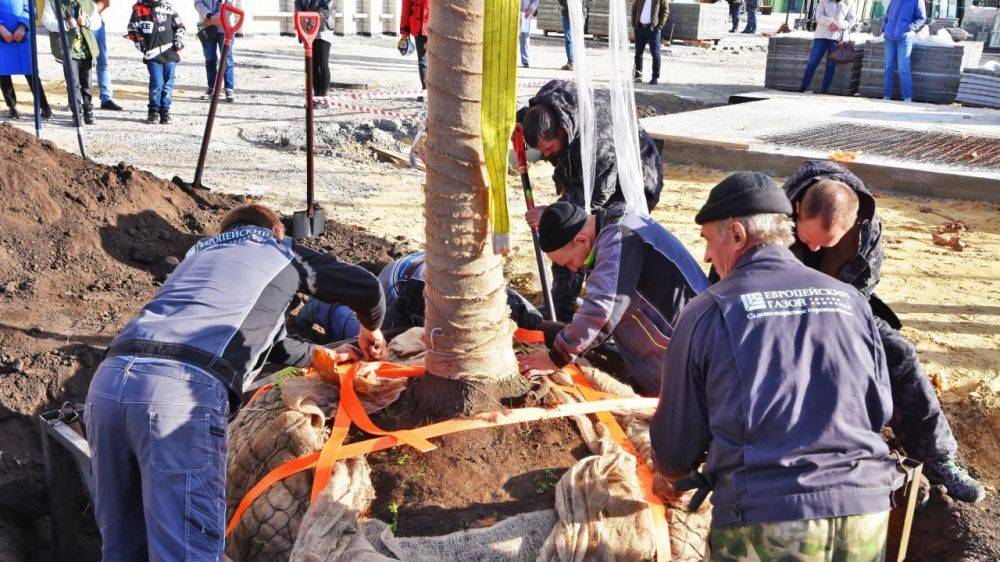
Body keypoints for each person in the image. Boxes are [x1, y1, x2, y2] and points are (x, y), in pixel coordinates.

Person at [85, 204, 387, 560]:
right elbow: (367, 288)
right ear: (276, 229)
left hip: (108, 383)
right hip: (179, 393)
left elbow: (273, 342)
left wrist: (321, 356)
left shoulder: (199, 256)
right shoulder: (279, 250)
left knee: (122, 546)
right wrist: (371, 329)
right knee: (185, 550)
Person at [651, 171, 900, 558]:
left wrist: (674, 473)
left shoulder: (708, 311)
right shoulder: (851, 301)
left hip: (769, 518)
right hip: (865, 511)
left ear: (736, 235)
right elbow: (878, 407)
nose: (705, 256)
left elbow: (674, 447)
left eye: (707, 240)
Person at [783, 159, 985, 503]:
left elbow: (857, 295)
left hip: (838, 308)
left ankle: (938, 459)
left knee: (897, 354)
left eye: (825, 244)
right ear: (797, 210)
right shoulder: (769, 214)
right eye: (809, 241)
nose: (814, 250)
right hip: (774, 314)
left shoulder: (867, 233)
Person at [517, 201, 708, 395]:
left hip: (691, 354)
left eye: (568, 262)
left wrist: (555, 358)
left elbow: (602, 310)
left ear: (581, 240)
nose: (573, 269)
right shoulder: (615, 220)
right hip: (682, 342)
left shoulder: (618, 238)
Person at [521, 79, 664, 322]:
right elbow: (530, 115)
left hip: (631, 181)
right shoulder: (551, 101)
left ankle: (593, 310)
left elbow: (592, 203)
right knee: (565, 232)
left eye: (549, 148)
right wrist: (519, 124)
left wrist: (550, 213)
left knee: (580, 241)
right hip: (586, 169)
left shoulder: (599, 146)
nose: (546, 155)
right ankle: (561, 305)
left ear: (563, 131)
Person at [298, 251, 544, 341]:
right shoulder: (454, 311)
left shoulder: (512, 304)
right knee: (379, 348)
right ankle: (325, 307)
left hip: (429, 270)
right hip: (399, 284)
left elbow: (541, 325)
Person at [128, 0, 184, 124]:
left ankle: (165, 112)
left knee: (168, 84)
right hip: (152, 55)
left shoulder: (168, 7)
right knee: (157, 83)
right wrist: (141, 45)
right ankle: (153, 111)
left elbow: (180, 26)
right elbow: (132, 30)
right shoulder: (139, 8)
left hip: (170, 53)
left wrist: (178, 41)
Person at [43, 0, 99, 124]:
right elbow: (47, 21)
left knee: (87, 82)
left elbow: (97, 21)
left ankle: (88, 111)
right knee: (73, 82)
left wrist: (87, 22)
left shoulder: (88, 2)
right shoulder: (52, 2)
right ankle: (77, 113)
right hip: (68, 50)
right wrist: (65, 25)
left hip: (86, 49)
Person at [0, 0, 53, 120]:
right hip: (1, 38)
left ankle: (44, 106)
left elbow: (29, 8)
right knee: (3, 73)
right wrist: (2, 29)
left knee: (31, 71)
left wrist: (22, 26)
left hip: (23, 36)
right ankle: (12, 107)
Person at [798, 0, 854, 94]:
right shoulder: (824, 1)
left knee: (830, 65)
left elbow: (851, 21)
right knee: (813, 62)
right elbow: (818, 16)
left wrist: (839, 25)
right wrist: (830, 23)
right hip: (821, 36)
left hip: (837, 38)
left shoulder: (849, 3)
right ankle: (803, 86)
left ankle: (824, 90)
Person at [881, 0, 925, 102]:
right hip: (889, 37)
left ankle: (907, 97)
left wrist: (909, 28)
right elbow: (887, 15)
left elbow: (921, 18)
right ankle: (887, 96)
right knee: (888, 67)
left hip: (904, 38)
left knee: (903, 68)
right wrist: (885, 27)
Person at [195, 0, 236, 102]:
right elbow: (198, 3)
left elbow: (229, 6)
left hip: (224, 28)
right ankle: (211, 88)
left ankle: (229, 89)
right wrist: (209, 16)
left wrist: (216, 18)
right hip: (207, 27)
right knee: (210, 59)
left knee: (227, 59)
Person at [295, 0, 333, 108]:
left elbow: (326, 7)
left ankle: (323, 99)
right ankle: (316, 98)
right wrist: (300, 23)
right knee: (313, 65)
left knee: (321, 62)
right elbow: (298, 5)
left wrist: (312, 20)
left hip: (322, 27)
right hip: (307, 28)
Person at [93, 0, 122, 111]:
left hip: (94, 24)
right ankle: (75, 99)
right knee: (76, 63)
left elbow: (105, 2)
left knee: (102, 62)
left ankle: (106, 98)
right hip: (75, 24)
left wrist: (88, 15)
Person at [631, 0, 669, 85]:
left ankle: (655, 77)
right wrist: (634, 24)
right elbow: (634, 9)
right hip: (640, 28)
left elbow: (665, 12)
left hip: (653, 29)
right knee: (638, 53)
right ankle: (638, 76)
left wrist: (659, 27)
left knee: (655, 54)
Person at [399, 0, 428, 92]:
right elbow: (406, 7)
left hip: (421, 26)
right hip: (428, 27)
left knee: (424, 60)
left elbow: (406, 8)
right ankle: (427, 91)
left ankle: (426, 91)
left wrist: (405, 30)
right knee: (425, 61)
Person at [519, 0, 540, 68]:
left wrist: (531, 9)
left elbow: (535, 1)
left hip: (525, 12)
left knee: (524, 36)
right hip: (509, 11)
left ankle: (525, 60)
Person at [558, 0, 573, 70]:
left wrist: (582, 6)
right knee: (568, 38)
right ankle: (571, 61)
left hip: (580, 13)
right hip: (566, 13)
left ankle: (575, 62)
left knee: (577, 39)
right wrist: (568, 5)